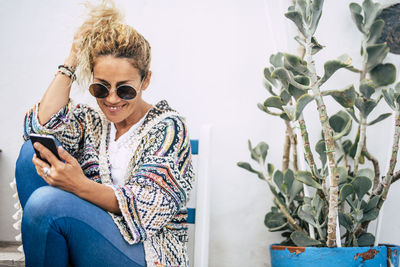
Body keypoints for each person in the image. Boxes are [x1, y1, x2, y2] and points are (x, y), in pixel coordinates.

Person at [15, 1, 194, 266]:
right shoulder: (92, 121)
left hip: (149, 251)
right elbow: (39, 128)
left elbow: (147, 209)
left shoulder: (169, 130)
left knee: (45, 204)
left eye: (125, 90)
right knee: (31, 153)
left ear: (145, 81)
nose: (111, 99)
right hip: (92, 235)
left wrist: (79, 185)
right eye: (101, 88)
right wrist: (73, 57)